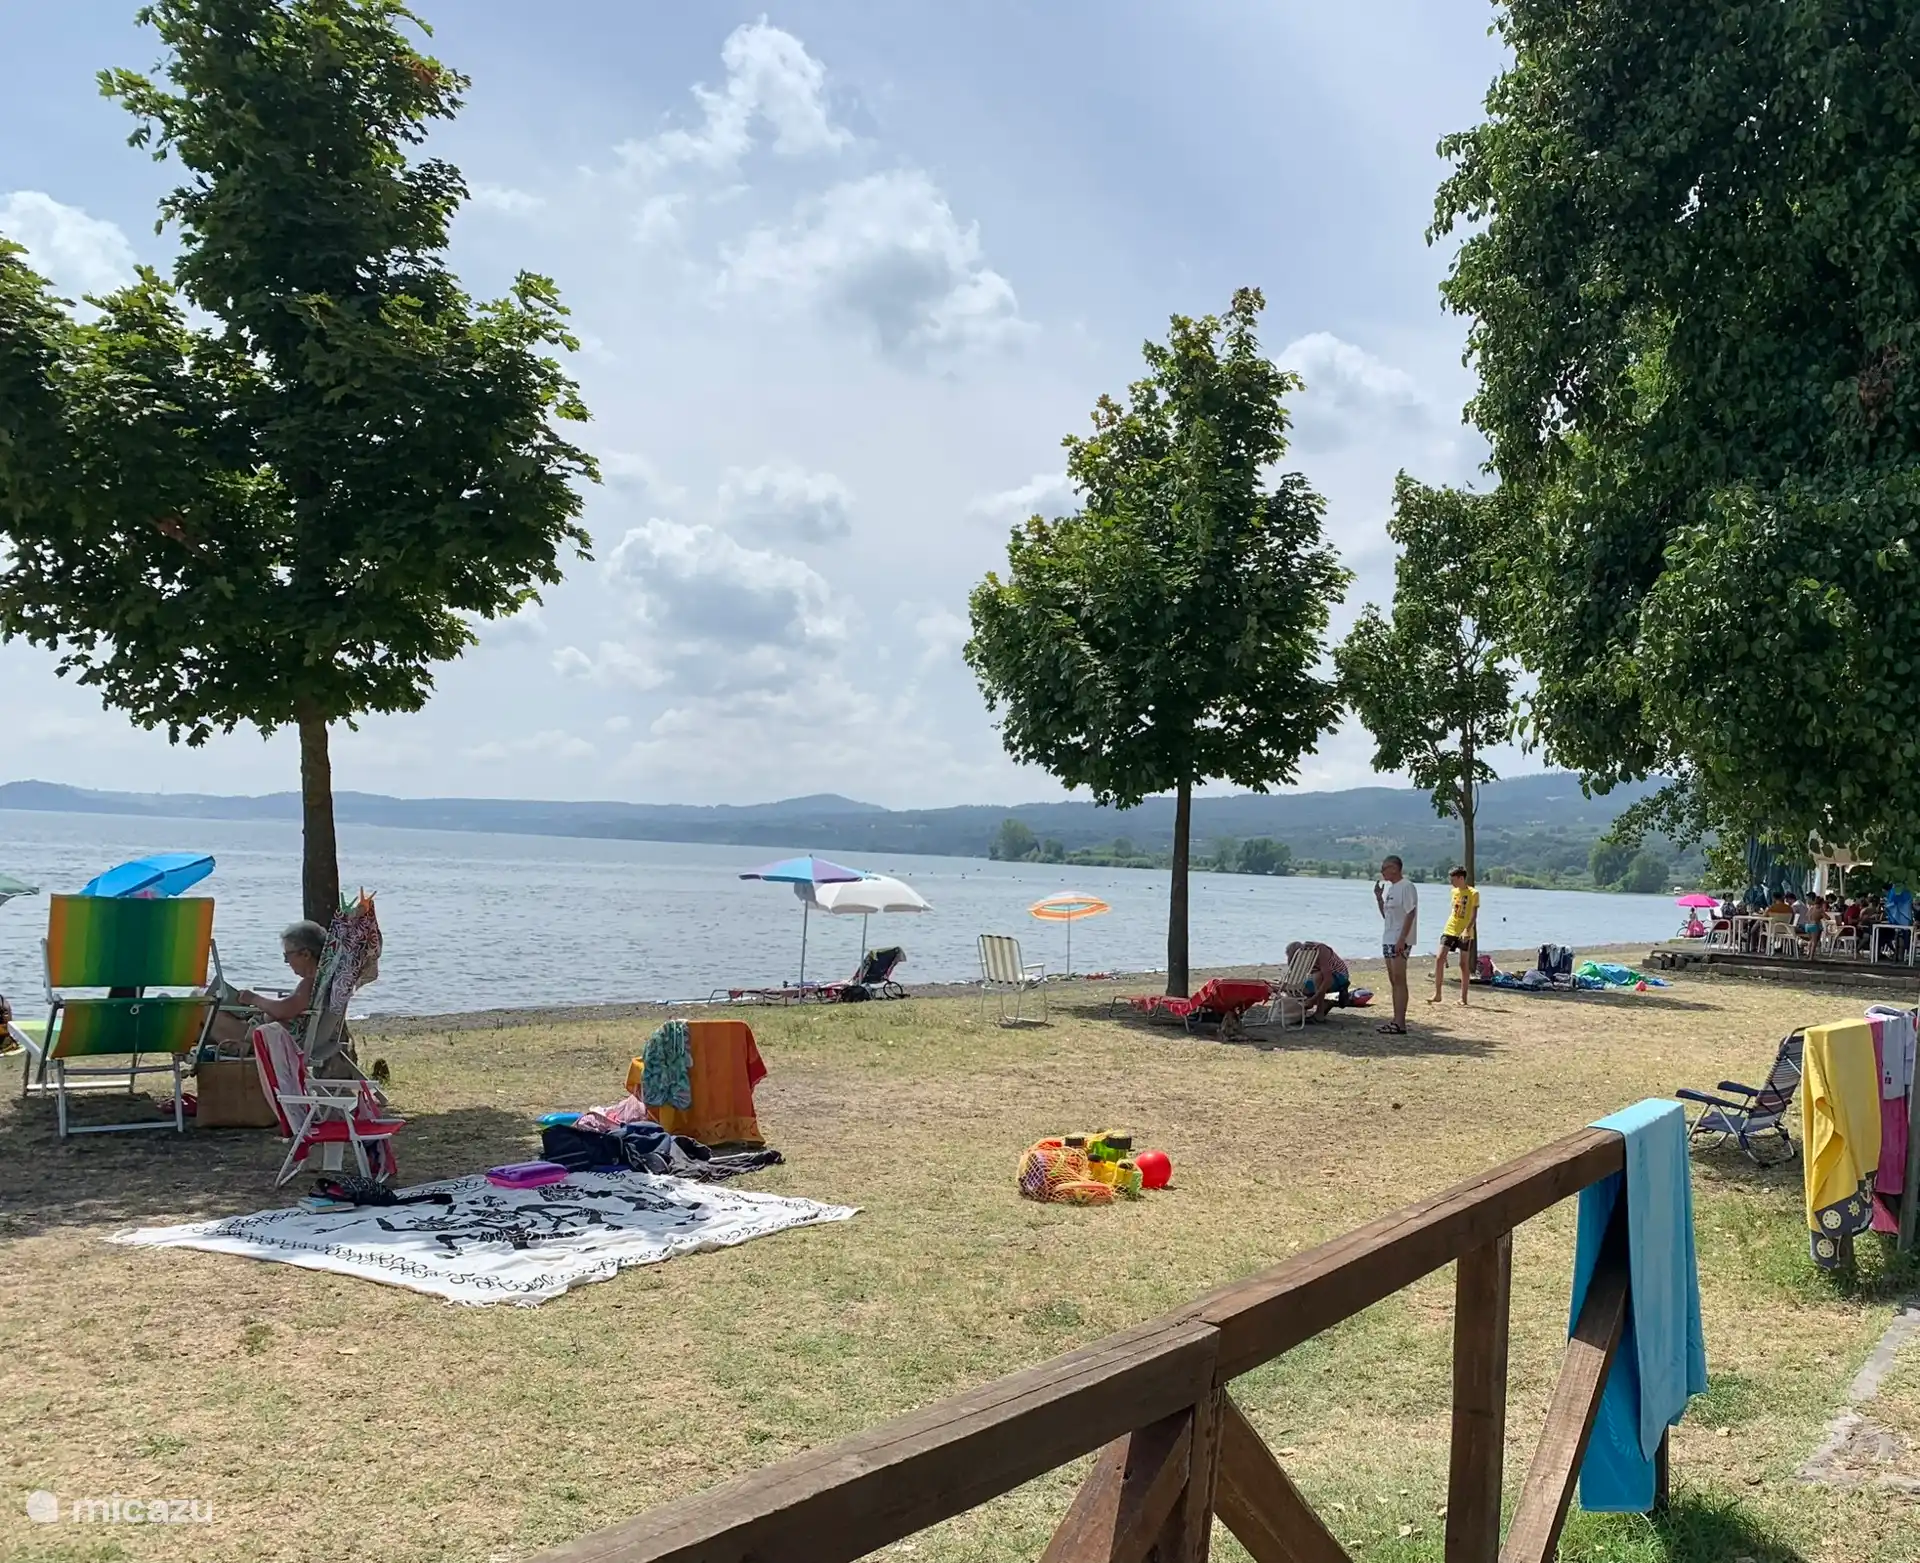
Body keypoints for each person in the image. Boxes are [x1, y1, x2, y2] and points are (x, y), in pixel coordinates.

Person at [1375, 856, 1417, 1035]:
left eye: (1385, 868)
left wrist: (1402, 939)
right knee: (1393, 980)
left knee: (1400, 980)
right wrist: (1379, 898)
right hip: (1388, 938)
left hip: (1400, 940)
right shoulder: (1391, 889)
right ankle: (1395, 1020)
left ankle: (1400, 1023)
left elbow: (1410, 913)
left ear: (1394, 868)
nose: (1382, 871)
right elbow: (1387, 916)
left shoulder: (1406, 886)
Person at [1431, 866, 1479, 1007]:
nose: (1451, 882)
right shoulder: (1454, 892)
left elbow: (1474, 915)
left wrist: (1467, 930)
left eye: (1453, 879)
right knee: (1440, 958)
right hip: (1450, 929)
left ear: (1461, 878)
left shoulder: (1474, 893)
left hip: (1465, 932)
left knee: (1463, 964)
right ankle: (1437, 994)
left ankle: (1463, 998)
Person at [1286, 939, 1350, 1022]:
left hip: (1339, 976)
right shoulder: (1300, 958)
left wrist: (1313, 999)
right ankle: (1325, 1003)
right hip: (1319, 977)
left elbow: (1328, 980)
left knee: (1318, 976)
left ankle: (1319, 1013)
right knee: (1294, 987)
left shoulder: (1320, 950)